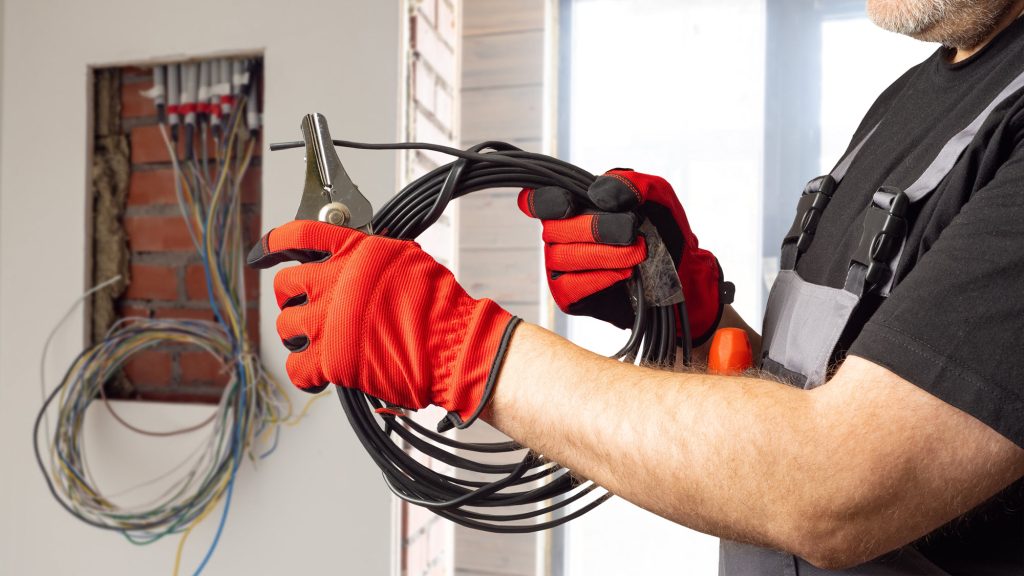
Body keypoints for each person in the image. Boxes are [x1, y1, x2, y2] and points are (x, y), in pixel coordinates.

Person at [248, 0, 1024, 573]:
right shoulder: (908, 101)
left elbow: (841, 487)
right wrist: (688, 320)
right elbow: (832, 395)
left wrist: (467, 349)